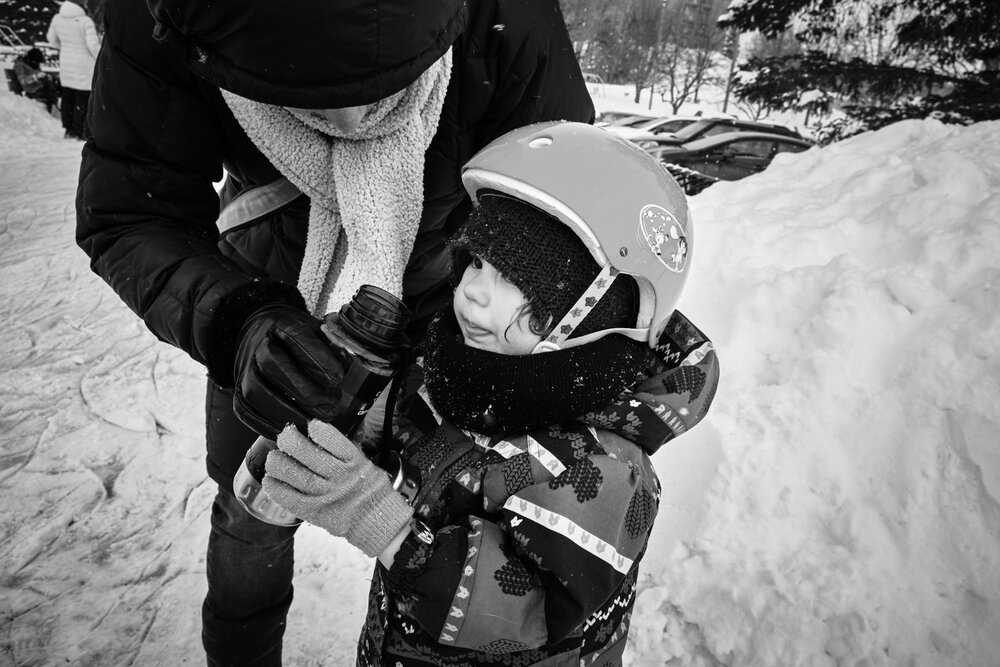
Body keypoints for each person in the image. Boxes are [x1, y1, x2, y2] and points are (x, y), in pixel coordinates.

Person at [75, 0, 595, 663]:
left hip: (450, 311)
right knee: (250, 507)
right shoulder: (161, 16)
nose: (356, 119)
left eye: (385, 84)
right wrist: (236, 324)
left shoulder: (506, 16)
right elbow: (129, 210)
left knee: (449, 516)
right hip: (266, 299)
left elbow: (560, 212)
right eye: (309, 100)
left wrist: (494, 337)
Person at [261, 121, 720, 665]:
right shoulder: (461, 371)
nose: (472, 293)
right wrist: (339, 436)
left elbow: (525, 616)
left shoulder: (605, 469)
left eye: (518, 281)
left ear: (600, 314)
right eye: (476, 261)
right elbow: (408, 449)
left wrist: (379, 523)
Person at [46, 0, 100, 139]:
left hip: (66, 62)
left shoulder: (57, 18)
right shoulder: (85, 21)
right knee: (82, 99)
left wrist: (64, 49)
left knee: (68, 96)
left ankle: (68, 129)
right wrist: (100, 58)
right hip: (83, 65)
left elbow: (51, 38)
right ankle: (79, 131)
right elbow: (92, 45)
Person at [12, 48, 58, 114]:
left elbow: (39, 73)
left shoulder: (33, 64)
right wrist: (36, 77)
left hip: (39, 88)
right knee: (50, 91)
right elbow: (23, 81)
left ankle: (55, 111)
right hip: (31, 91)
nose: (37, 64)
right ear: (31, 59)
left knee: (55, 85)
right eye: (36, 62)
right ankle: (51, 114)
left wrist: (46, 76)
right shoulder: (19, 65)